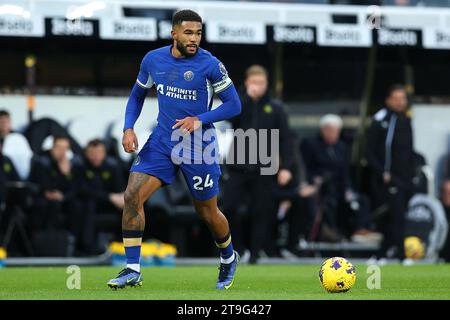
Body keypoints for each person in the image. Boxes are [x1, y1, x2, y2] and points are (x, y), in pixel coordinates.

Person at [107, 10, 241, 290]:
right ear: (174, 34)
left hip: (199, 147)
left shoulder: (211, 65)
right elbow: (137, 95)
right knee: (132, 195)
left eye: (199, 33)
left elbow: (234, 105)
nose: (195, 39)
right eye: (189, 33)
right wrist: (128, 127)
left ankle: (228, 257)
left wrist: (199, 119)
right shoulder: (153, 59)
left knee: (206, 211)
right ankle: (132, 269)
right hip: (162, 142)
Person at [222, 64, 293, 264]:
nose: (258, 86)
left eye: (261, 83)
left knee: (261, 211)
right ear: (246, 83)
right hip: (238, 165)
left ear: (266, 83)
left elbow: (286, 138)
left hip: (264, 166)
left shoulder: (276, 107)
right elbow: (231, 120)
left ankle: (254, 253)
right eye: (254, 82)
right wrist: (245, 98)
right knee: (230, 207)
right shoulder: (238, 102)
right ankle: (238, 248)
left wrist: (286, 166)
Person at [301, 114, 381, 243]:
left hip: (340, 186)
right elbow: (305, 168)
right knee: (329, 200)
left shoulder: (342, 148)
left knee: (362, 200)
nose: (334, 134)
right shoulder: (311, 144)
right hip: (321, 186)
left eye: (336, 131)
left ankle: (360, 229)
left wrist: (348, 189)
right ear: (324, 130)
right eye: (331, 130)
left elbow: (345, 172)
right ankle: (329, 231)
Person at [366, 84, 416, 259]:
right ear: (388, 100)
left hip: (406, 178)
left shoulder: (406, 120)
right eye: (396, 98)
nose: (400, 102)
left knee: (394, 217)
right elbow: (369, 152)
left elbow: (409, 151)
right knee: (397, 216)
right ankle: (401, 255)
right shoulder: (381, 120)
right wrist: (383, 173)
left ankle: (380, 254)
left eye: (403, 98)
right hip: (389, 178)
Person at [29, 135, 86, 253]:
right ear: (52, 148)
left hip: (64, 200)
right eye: (59, 148)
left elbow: (75, 188)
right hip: (44, 199)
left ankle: (74, 244)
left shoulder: (72, 164)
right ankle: (39, 246)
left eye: (65, 148)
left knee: (77, 205)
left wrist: (66, 175)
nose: (62, 152)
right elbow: (44, 186)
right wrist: (62, 176)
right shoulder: (42, 161)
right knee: (46, 205)